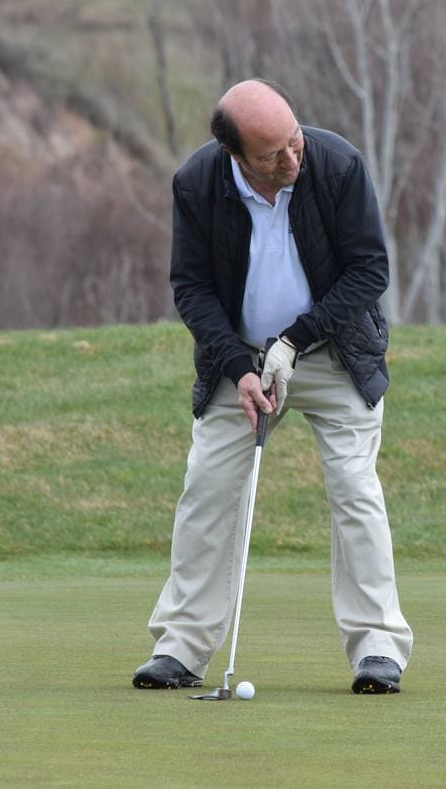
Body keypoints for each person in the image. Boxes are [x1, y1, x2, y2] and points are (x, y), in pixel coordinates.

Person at [132, 79, 414, 693]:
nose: (292, 159)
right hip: (243, 364)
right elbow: (192, 289)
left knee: (354, 489)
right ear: (235, 154)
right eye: (272, 155)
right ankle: (181, 646)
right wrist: (240, 367)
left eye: (294, 141)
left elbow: (371, 270)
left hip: (335, 351)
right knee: (207, 490)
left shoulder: (336, 163)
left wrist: (295, 339)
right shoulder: (198, 184)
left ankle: (378, 648)